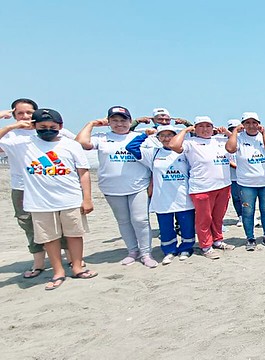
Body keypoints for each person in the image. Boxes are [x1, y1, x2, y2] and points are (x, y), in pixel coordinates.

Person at [0, 108, 96, 290]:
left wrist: (87, 198)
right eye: (42, 126)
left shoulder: (71, 144)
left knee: (74, 234)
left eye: (52, 126)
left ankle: (77, 267)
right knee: (49, 238)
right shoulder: (22, 143)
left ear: (60, 126)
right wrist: (13, 126)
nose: (48, 129)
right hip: (39, 202)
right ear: (34, 126)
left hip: (70, 199)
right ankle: (58, 271)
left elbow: (83, 172)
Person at [0, 99, 74, 278]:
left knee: (61, 222)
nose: (25, 117)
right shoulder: (10, 135)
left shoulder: (49, 129)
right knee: (28, 224)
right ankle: (38, 263)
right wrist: (8, 125)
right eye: (20, 113)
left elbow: (77, 143)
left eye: (29, 113)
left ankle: (71, 258)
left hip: (50, 185)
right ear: (14, 115)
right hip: (22, 187)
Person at [76, 106, 156, 268]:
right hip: (111, 187)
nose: (119, 124)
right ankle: (132, 251)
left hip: (138, 185)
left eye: (123, 120)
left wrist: (151, 184)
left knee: (140, 220)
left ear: (130, 121)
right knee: (123, 221)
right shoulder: (103, 137)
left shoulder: (142, 137)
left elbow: (152, 162)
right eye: (115, 120)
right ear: (109, 122)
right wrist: (91, 123)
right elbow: (81, 143)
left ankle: (146, 253)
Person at [126, 125, 196, 264]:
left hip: (183, 196)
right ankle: (169, 250)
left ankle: (186, 248)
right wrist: (144, 135)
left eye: (170, 135)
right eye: (162, 136)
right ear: (158, 138)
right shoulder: (153, 153)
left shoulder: (183, 152)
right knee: (165, 227)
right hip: (162, 197)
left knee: (186, 224)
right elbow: (131, 148)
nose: (166, 138)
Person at [169, 116, 235, 259]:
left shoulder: (219, 140)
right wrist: (186, 130)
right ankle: (206, 246)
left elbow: (234, 147)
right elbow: (173, 145)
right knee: (204, 219)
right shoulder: (190, 143)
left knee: (218, 217)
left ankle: (217, 240)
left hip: (223, 186)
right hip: (202, 187)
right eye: (201, 126)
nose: (205, 129)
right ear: (195, 128)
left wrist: (228, 133)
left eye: (208, 126)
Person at [225, 112, 265, 251]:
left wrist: (264, 133)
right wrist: (235, 131)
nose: (251, 126)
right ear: (243, 124)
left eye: (254, 122)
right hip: (246, 183)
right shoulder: (239, 138)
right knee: (248, 211)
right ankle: (250, 238)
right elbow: (230, 148)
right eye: (247, 123)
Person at [226, 119, 244, 227]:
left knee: (246, 198)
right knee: (236, 198)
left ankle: (250, 216)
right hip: (233, 177)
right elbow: (227, 160)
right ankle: (240, 216)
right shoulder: (225, 142)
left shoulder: (244, 140)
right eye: (232, 129)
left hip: (245, 176)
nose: (235, 131)